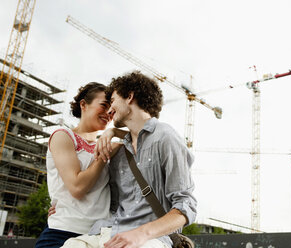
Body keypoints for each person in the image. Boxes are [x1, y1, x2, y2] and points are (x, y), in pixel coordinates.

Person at [62, 71, 197, 248]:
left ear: (130, 97)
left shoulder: (165, 136)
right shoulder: (117, 152)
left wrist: (141, 233)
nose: (110, 110)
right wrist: (62, 204)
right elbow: (109, 202)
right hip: (108, 232)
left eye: (113, 100)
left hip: (150, 239)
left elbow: (186, 206)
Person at [35, 82, 125, 248]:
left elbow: (145, 135)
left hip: (100, 235)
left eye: (111, 108)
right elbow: (77, 187)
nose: (108, 113)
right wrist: (103, 155)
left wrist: (113, 132)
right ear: (83, 104)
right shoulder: (63, 136)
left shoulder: (107, 143)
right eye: (104, 105)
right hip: (63, 232)